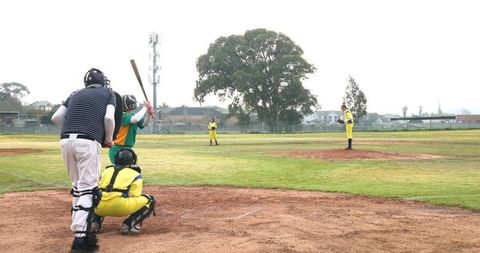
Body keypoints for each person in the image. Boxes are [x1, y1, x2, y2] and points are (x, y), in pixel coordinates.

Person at [51, 68, 116, 252]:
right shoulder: (107, 93)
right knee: (89, 190)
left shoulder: (74, 94)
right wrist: (108, 139)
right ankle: (80, 239)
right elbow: (109, 117)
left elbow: (56, 117)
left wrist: (73, 127)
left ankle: (81, 232)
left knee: (78, 188)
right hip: (88, 142)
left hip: (65, 141)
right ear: (102, 81)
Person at [91, 147, 156, 235]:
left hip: (98, 208)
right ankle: (128, 225)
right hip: (120, 207)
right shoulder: (136, 174)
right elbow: (134, 195)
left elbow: (96, 188)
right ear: (133, 161)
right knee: (150, 199)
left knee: (99, 197)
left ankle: (95, 223)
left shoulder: (106, 171)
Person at [108, 95, 154, 163]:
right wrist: (145, 107)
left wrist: (149, 114)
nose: (131, 110)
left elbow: (145, 124)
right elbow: (135, 119)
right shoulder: (121, 115)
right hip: (117, 149)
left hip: (128, 149)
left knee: (127, 171)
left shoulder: (132, 115)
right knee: (120, 171)